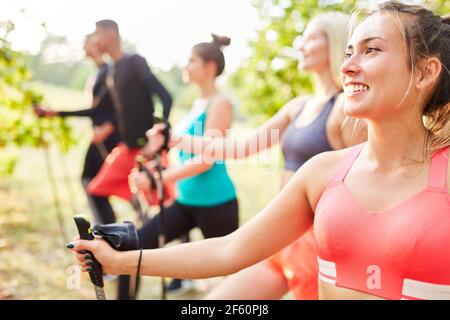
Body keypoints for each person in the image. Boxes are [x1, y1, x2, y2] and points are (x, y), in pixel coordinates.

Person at [69, 1, 450, 300]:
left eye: (371, 50)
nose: (349, 65)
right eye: (350, 52)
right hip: (297, 235)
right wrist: (120, 259)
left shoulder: (348, 120)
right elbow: (237, 165)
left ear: (424, 72)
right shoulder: (311, 139)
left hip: (319, 244)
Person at [147, 12, 365, 300]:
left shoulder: (346, 110)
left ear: (334, 44)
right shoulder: (298, 106)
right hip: (285, 234)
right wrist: (175, 139)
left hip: (320, 245)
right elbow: (242, 147)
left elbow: (365, 187)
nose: (300, 46)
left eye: (311, 38)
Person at [116, 34, 240, 299]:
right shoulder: (197, 103)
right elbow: (182, 150)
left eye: (191, 61)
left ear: (209, 67)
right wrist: (155, 152)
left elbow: (207, 159)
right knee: (131, 249)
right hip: (186, 202)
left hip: (217, 204)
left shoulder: (221, 103)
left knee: (240, 273)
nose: (186, 66)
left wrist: (158, 179)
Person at [34, 34, 119, 224]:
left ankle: (110, 228)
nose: (83, 46)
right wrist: (54, 113)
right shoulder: (99, 73)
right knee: (94, 181)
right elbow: (97, 110)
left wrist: (109, 126)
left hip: (109, 138)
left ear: (97, 45)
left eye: (86, 42)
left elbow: (114, 107)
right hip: (100, 137)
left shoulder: (108, 71)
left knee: (93, 180)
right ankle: (108, 226)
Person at [86, 19, 173, 204]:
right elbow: (99, 111)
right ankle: (115, 232)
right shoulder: (111, 71)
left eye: (97, 34)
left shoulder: (134, 61)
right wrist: (56, 113)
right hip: (126, 148)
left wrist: (157, 139)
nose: (94, 40)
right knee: (96, 189)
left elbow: (166, 97)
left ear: (111, 34)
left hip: (147, 149)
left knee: (165, 202)